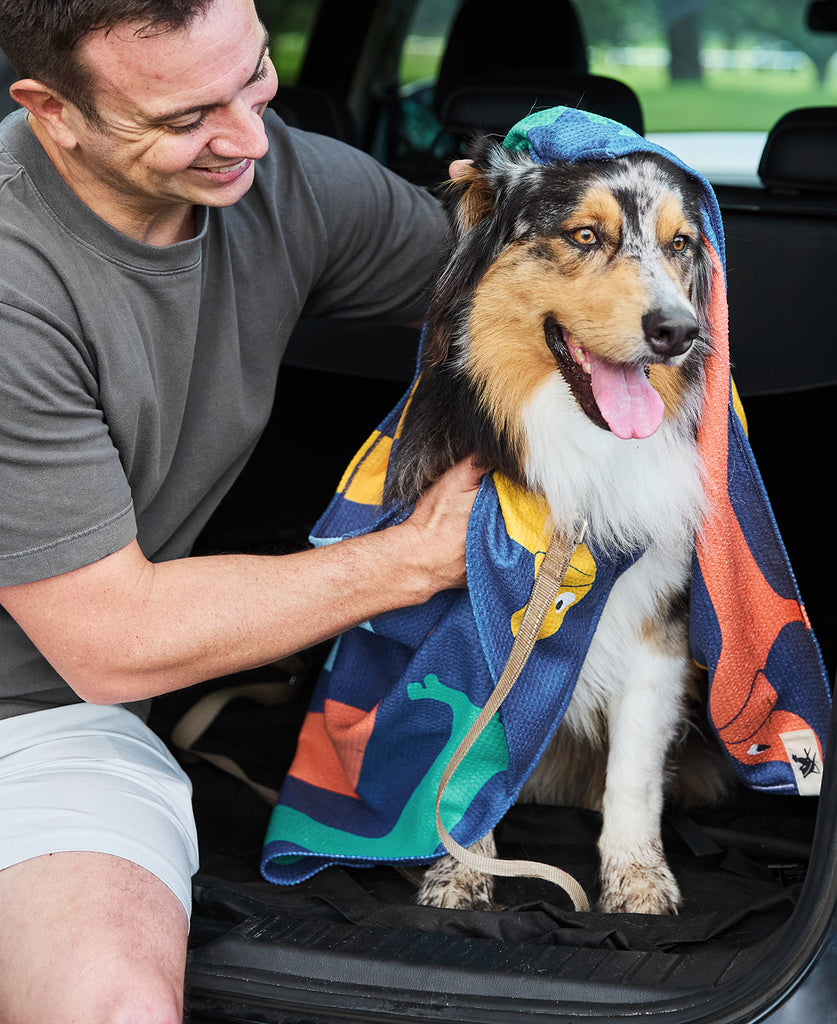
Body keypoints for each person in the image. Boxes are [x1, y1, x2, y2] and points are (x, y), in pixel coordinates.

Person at [0, 1, 483, 1021]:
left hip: (42, 728)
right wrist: (418, 555)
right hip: (70, 676)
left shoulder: (284, 182)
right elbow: (112, 639)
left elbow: (501, 297)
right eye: (184, 118)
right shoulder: (12, 280)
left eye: (255, 76)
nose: (249, 137)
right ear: (54, 111)